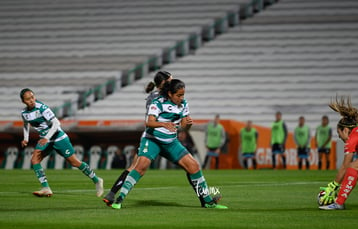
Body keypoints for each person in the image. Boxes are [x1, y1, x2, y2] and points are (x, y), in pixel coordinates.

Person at [111, 79, 227, 209]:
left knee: (194, 166)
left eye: (183, 95)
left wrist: (188, 125)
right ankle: (119, 199)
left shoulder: (183, 104)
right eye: (178, 95)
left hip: (170, 142)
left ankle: (207, 201)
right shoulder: (157, 103)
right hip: (152, 140)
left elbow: (183, 127)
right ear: (170, 94)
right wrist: (163, 124)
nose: (181, 98)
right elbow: (149, 122)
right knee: (141, 167)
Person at [102, 71, 172, 206]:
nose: (172, 83)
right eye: (170, 80)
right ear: (163, 83)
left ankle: (111, 194)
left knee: (134, 167)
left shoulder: (157, 95)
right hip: (154, 137)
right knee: (136, 168)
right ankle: (113, 195)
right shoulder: (157, 97)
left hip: (157, 135)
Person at [19, 88, 104, 197]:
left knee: (74, 162)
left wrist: (47, 137)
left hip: (58, 137)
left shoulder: (42, 108)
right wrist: (26, 138)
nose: (31, 100)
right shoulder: (24, 113)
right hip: (46, 140)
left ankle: (97, 180)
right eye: (28, 99)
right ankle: (46, 188)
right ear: (23, 101)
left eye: (32, 97)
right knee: (35, 160)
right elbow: (26, 124)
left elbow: (56, 123)